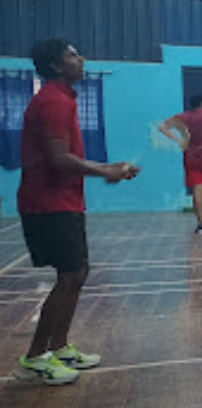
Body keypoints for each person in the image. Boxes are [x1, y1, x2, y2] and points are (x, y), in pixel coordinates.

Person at [13, 37, 139, 386]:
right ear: (57, 65)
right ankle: (35, 357)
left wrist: (110, 168)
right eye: (73, 55)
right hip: (47, 204)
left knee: (78, 273)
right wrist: (106, 170)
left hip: (63, 201)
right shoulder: (52, 101)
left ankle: (59, 347)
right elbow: (58, 158)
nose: (81, 59)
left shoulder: (63, 98)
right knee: (70, 276)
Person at [159, 95, 202, 234]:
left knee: (197, 187)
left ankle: (200, 224)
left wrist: (178, 140)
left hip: (190, 156)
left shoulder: (182, 117)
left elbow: (162, 127)